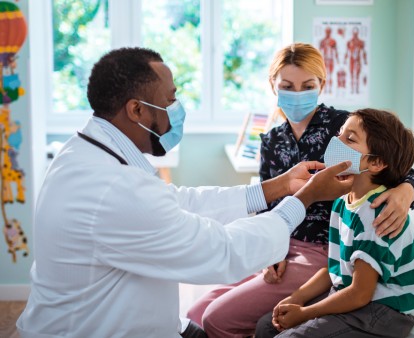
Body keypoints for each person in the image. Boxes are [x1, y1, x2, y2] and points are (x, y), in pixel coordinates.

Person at [15, 47, 355, 338]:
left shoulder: (87, 155)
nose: (177, 109)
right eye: (171, 99)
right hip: (94, 329)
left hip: (117, 320)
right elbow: (223, 252)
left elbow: (179, 201)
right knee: (208, 316)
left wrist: (278, 187)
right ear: (137, 110)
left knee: (207, 321)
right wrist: (304, 198)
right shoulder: (112, 189)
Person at [186, 43, 414, 338]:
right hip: (282, 244)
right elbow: (267, 203)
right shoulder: (272, 140)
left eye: (307, 86)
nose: (297, 94)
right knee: (195, 314)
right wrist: (271, 246)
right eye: (287, 86)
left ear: (321, 84)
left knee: (217, 318)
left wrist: (406, 192)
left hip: (325, 250)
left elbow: (400, 168)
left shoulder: (343, 126)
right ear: (273, 86)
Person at [255, 108, 414, 338]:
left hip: (382, 310)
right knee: (266, 326)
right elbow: (335, 269)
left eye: (350, 138)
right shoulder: (342, 203)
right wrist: (297, 297)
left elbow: (360, 294)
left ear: (376, 163)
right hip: (354, 292)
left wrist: (305, 313)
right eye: (339, 133)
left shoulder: (375, 213)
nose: (336, 141)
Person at [344, 27, 367, 94]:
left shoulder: (361, 42)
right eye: (354, 32)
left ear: (358, 33)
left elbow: (364, 52)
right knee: (351, 74)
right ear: (352, 33)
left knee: (357, 75)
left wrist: (365, 60)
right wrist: (345, 60)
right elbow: (347, 51)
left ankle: (356, 89)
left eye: (356, 32)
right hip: (351, 60)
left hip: (358, 60)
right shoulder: (349, 42)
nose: (355, 34)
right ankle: (352, 89)